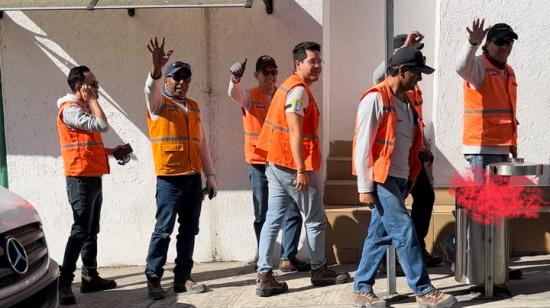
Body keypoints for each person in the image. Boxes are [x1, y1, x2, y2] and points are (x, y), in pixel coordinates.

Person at [352, 47, 456, 308]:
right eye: (416, 73)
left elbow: (409, 143)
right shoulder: (374, 99)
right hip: (381, 178)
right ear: (401, 71)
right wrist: (364, 186)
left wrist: (411, 176)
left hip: (399, 178)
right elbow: (362, 146)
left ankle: (361, 289)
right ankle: (423, 291)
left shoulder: (407, 103)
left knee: (379, 236)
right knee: (405, 231)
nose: (419, 79)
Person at [253, 41, 350, 297]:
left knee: (272, 219)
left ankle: (265, 276)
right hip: (291, 165)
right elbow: (294, 129)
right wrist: (301, 169)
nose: (317, 66)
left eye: (319, 61)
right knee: (315, 218)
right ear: (298, 63)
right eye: (312, 61)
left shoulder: (288, 86)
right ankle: (319, 270)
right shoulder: (297, 91)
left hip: (275, 163)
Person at [143, 37, 218, 300]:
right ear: (167, 80)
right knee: (163, 229)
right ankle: (153, 278)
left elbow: (202, 143)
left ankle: (182, 278)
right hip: (169, 179)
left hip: (192, 179)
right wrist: (156, 69)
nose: (182, 82)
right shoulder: (158, 104)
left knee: (189, 230)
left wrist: (209, 176)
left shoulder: (194, 106)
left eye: (186, 78)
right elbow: (149, 89)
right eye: (176, 78)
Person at [227, 56, 310, 272]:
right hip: (258, 164)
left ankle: (288, 257)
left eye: (274, 72)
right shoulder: (249, 96)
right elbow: (233, 94)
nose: (271, 76)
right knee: (263, 214)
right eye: (266, 72)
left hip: (281, 161)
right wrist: (235, 79)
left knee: (292, 210)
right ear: (256, 75)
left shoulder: (281, 95)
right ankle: (264, 258)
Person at [455, 19, 522, 280]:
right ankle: (478, 271)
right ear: (488, 43)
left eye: (509, 42)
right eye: (500, 42)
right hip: (481, 150)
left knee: (497, 211)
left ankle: (495, 266)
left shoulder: (508, 71)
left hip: (501, 150)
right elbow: (460, 66)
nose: (505, 47)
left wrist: (512, 145)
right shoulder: (478, 67)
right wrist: (472, 43)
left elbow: (508, 113)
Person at [56, 66, 123, 305]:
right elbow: (102, 124)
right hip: (79, 179)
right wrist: (94, 100)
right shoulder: (70, 110)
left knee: (91, 230)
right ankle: (64, 283)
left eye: (96, 83)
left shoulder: (80, 109)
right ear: (79, 87)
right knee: (80, 230)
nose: (96, 88)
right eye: (92, 84)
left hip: (92, 176)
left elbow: (87, 146)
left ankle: (90, 276)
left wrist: (111, 152)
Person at [374, 32, 442, 267]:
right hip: (391, 161)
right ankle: (388, 258)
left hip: (413, 155)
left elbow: (416, 121)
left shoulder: (414, 87)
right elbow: (379, 74)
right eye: (411, 51)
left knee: (425, 196)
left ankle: (417, 248)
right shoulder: (387, 83)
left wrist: (423, 145)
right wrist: (401, 50)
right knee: (391, 212)